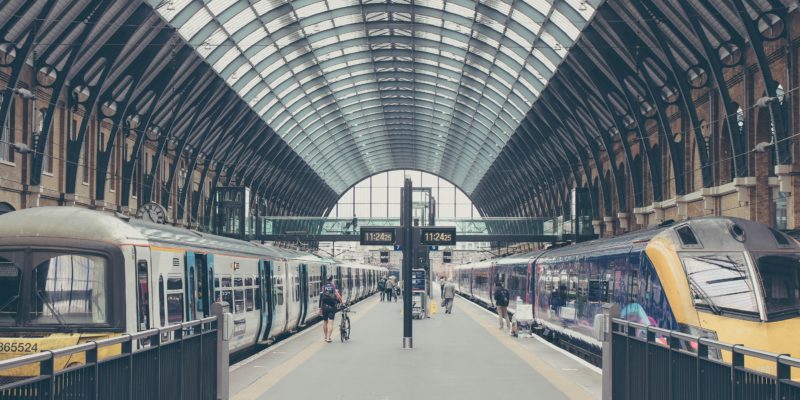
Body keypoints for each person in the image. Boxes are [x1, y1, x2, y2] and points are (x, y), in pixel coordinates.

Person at [319, 276, 343, 342]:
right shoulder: (334, 287)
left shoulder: (323, 287)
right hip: (332, 307)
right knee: (330, 323)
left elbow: (321, 298)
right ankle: (328, 338)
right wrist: (342, 303)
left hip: (324, 307)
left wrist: (320, 308)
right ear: (332, 280)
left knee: (325, 321)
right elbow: (338, 296)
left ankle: (325, 336)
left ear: (325, 280)